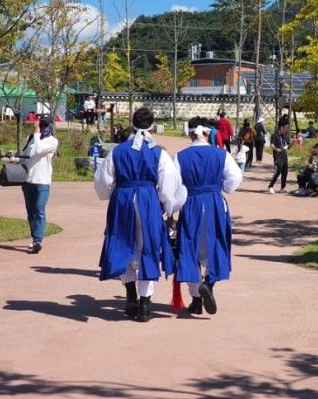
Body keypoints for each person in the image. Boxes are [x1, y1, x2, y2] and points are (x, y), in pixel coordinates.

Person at [94, 107, 186, 322]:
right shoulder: (159, 153)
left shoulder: (118, 151)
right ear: (152, 125)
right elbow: (167, 187)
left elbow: (103, 182)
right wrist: (166, 206)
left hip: (123, 199)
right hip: (147, 200)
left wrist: (115, 194)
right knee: (148, 247)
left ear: (132, 124)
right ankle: (145, 303)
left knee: (122, 243)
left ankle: (130, 295)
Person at [174, 116, 242, 316]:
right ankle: (209, 284)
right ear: (208, 133)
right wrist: (222, 187)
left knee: (190, 247)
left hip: (191, 202)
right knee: (217, 243)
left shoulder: (180, 156)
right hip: (214, 202)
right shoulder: (221, 155)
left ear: (189, 133)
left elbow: (173, 185)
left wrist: (172, 208)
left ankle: (196, 298)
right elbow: (235, 178)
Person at [13, 114, 59, 254]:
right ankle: (34, 238)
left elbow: (39, 151)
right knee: (31, 212)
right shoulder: (32, 139)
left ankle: (38, 240)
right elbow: (26, 157)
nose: (43, 126)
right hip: (28, 180)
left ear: (51, 125)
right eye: (42, 123)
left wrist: (37, 133)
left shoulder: (52, 141)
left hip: (42, 181)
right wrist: (15, 159)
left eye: (46, 124)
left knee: (39, 210)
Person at [267, 118, 293, 194]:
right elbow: (271, 145)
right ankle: (270, 187)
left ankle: (283, 187)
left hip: (284, 156)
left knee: (285, 172)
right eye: (286, 127)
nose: (287, 129)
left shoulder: (284, 136)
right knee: (277, 171)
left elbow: (288, 147)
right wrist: (276, 149)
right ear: (281, 127)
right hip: (278, 156)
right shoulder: (275, 135)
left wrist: (293, 142)